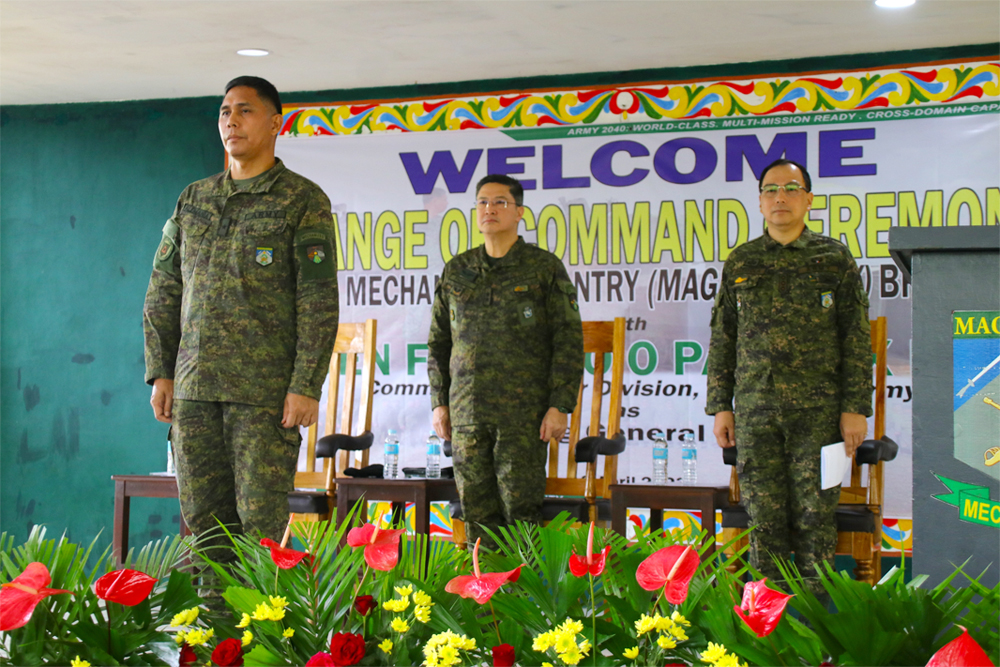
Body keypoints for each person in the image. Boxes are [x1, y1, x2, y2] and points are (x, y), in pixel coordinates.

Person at [143, 76, 339, 551]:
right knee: (205, 531)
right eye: (225, 111)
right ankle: (213, 626)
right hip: (194, 392)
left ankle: (258, 625)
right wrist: (161, 372)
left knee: (259, 534)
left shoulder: (301, 199)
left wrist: (304, 385)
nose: (232, 120)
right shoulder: (194, 199)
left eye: (245, 110)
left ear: (275, 123)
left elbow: (317, 301)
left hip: (263, 396)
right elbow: (164, 288)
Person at [705, 159, 872, 590]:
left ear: (809, 199)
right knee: (766, 527)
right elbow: (723, 337)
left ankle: (816, 645)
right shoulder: (742, 261)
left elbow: (855, 337)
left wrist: (855, 408)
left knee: (816, 525)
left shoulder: (833, 258)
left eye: (791, 189)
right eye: (771, 190)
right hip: (757, 415)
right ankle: (770, 642)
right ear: (760, 201)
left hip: (820, 418)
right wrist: (721, 406)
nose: (780, 197)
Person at [427, 174, 584, 548]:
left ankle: (524, 603)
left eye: (499, 202)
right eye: (482, 202)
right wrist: (440, 402)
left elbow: (568, 339)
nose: (489, 210)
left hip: (523, 417)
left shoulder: (543, 268)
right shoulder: (457, 270)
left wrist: (559, 405)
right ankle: (485, 605)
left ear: (519, 213)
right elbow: (439, 343)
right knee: (477, 516)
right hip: (467, 414)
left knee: (521, 516)